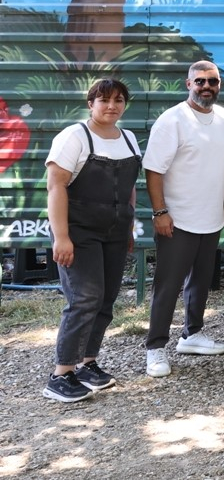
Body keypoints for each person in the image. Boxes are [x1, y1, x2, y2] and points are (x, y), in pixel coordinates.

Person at [43, 78, 140, 403]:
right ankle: (61, 375)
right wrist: (61, 237)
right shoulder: (74, 136)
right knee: (85, 298)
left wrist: (128, 227)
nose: (111, 106)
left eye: (118, 100)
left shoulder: (129, 139)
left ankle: (87, 364)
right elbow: (56, 186)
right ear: (91, 104)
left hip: (115, 233)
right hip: (78, 232)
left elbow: (129, 187)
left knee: (106, 299)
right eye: (104, 100)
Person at [143, 61, 224, 378]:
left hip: (211, 215)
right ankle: (155, 347)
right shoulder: (171, 120)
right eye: (200, 81)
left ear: (219, 84)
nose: (206, 86)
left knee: (201, 278)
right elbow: (153, 170)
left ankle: (192, 334)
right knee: (168, 284)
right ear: (188, 84)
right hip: (177, 218)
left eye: (212, 81)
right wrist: (160, 212)